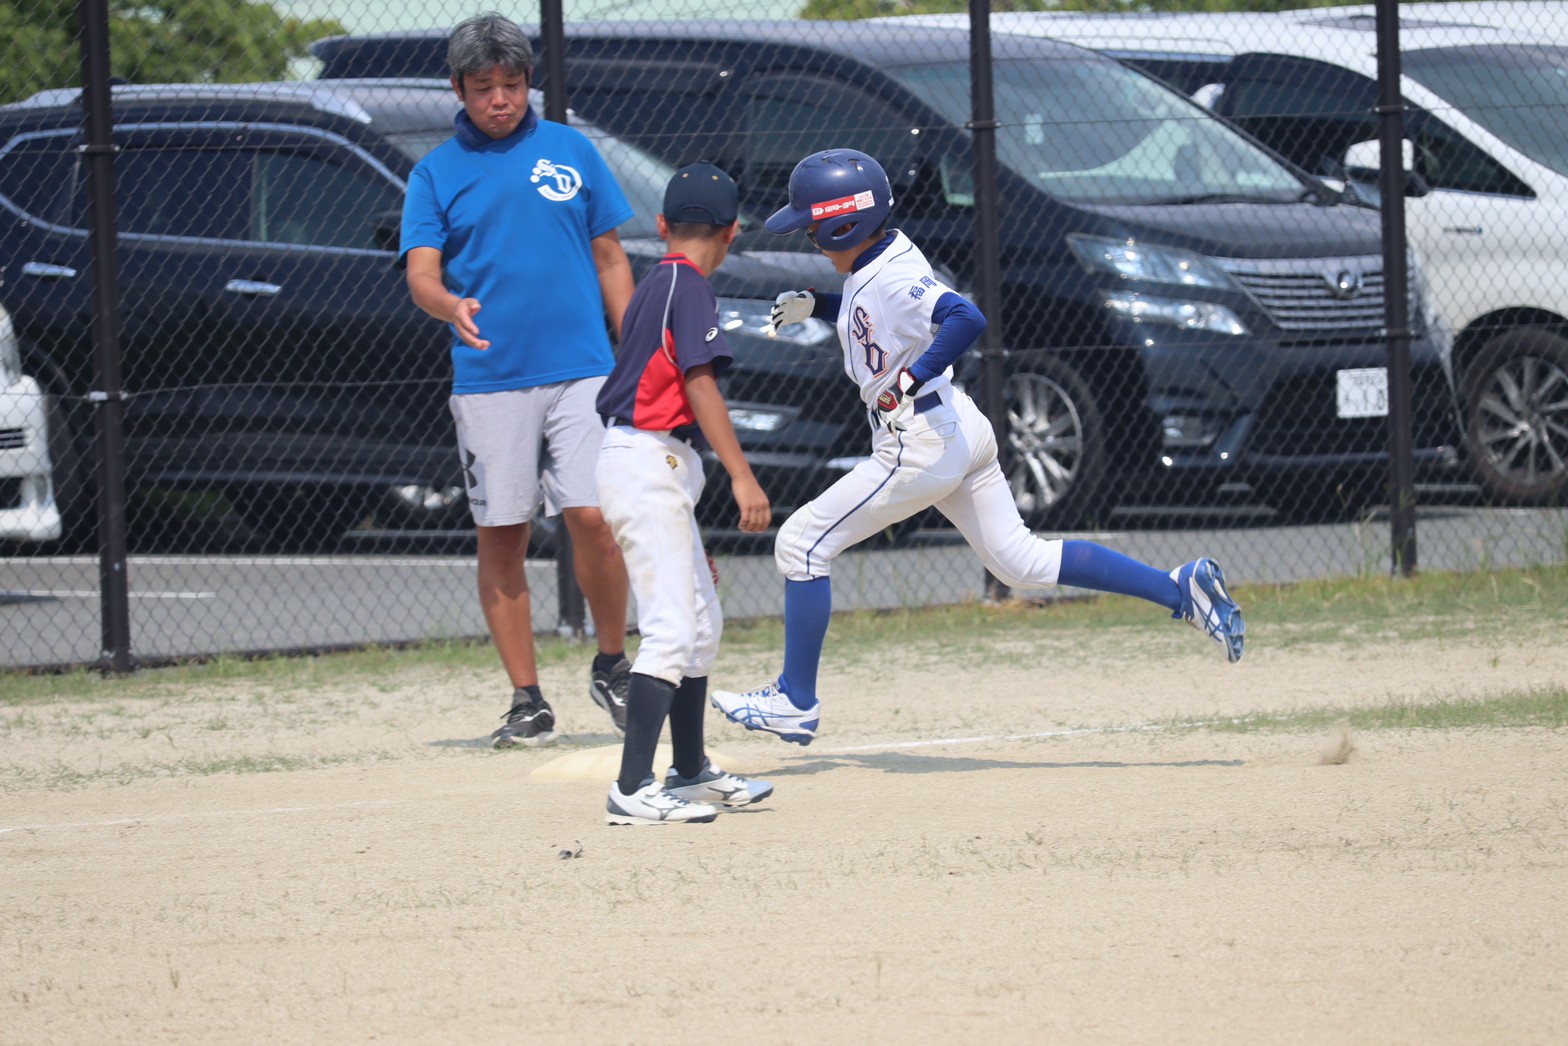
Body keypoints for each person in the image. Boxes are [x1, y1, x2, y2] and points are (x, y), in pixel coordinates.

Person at [711, 149, 1246, 746]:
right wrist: (820, 304)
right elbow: (877, 316)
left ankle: (795, 700)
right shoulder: (879, 259)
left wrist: (911, 379)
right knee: (1022, 562)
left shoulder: (885, 273)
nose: (809, 235)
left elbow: (965, 318)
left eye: (812, 225)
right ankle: (1180, 591)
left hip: (921, 442)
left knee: (802, 543)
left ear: (844, 223)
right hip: (957, 427)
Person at [401, 12, 635, 748]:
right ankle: (527, 699)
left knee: (595, 519)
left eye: (511, 84)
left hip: (583, 371)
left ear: (528, 82)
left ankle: (612, 663)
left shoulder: (573, 152)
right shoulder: (436, 172)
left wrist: (634, 344)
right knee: (501, 533)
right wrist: (450, 306)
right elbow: (421, 276)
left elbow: (610, 258)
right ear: (458, 90)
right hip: (491, 378)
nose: (499, 100)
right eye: (483, 89)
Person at [594, 162, 775, 824]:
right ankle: (630, 787)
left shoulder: (656, 282)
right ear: (730, 234)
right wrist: (742, 473)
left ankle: (690, 770)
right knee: (672, 629)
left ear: (664, 225)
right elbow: (699, 384)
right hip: (646, 459)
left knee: (701, 620)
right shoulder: (688, 287)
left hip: (652, 463)